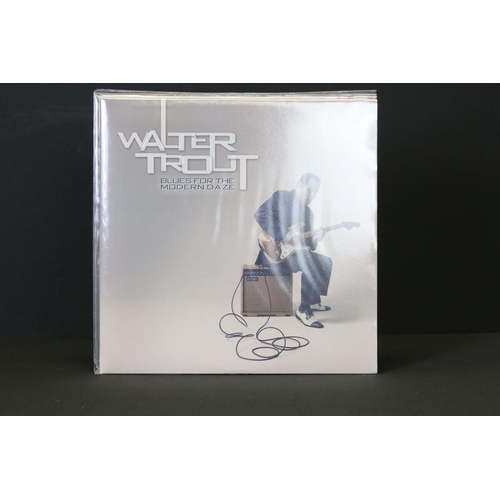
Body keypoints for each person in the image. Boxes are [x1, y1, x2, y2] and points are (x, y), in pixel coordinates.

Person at [254, 173, 333, 328]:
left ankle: (313, 301)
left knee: (325, 261)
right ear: (299, 186)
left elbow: (308, 246)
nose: (312, 195)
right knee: (311, 262)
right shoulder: (282, 197)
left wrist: (316, 239)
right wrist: (284, 233)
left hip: (294, 253)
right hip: (275, 254)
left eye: (316, 192)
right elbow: (260, 214)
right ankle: (303, 311)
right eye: (310, 190)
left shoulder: (308, 213)